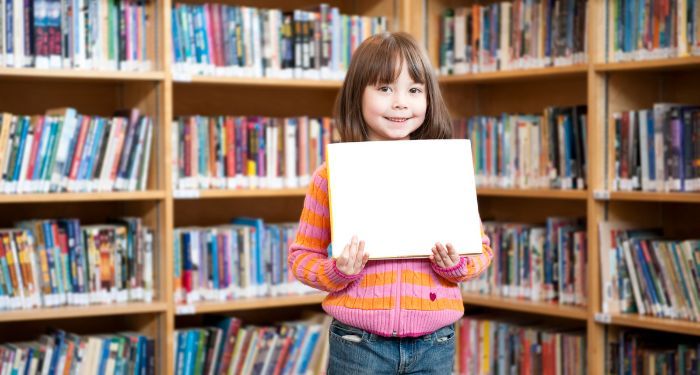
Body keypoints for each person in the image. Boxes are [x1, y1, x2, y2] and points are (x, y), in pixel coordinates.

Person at [288, 31, 493, 374]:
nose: (400, 102)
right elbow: (301, 258)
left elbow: (481, 251)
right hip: (359, 344)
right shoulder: (331, 176)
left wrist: (456, 266)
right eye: (385, 88)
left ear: (429, 98)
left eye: (414, 90)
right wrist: (337, 272)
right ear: (358, 95)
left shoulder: (445, 171)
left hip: (435, 344)